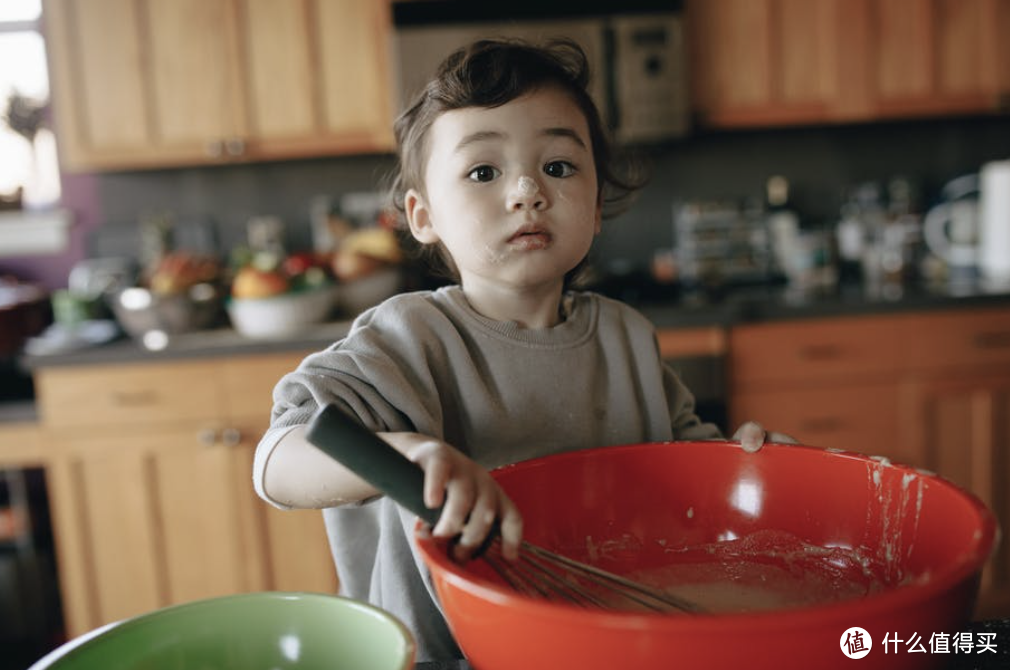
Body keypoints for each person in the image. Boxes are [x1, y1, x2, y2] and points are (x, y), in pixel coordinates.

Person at [253, 38, 792, 662]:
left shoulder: (628, 338)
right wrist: (408, 453)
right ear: (422, 215)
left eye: (559, 167)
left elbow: (684, 478)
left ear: (596, 209)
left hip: (616, 643)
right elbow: (278, 458)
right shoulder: (406, 340)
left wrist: (753, 468)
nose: (528, 191)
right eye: (484, 172)